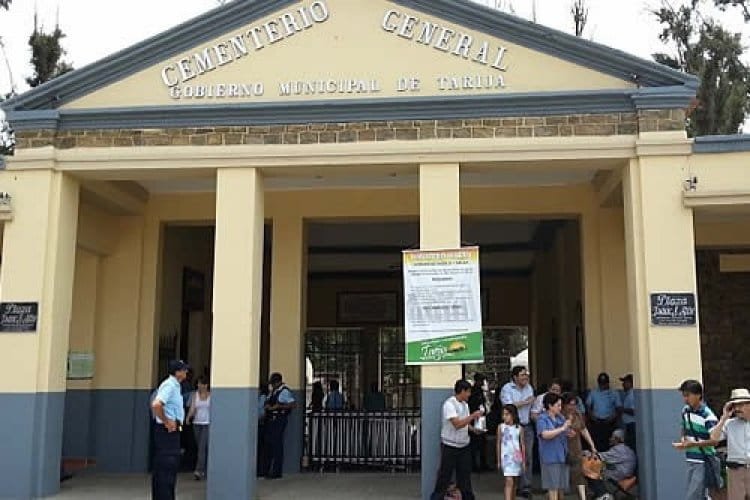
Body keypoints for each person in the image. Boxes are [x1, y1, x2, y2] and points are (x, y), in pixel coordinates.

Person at [430, 379, 483, 500]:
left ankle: (468, 497)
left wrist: (473, 429)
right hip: (450, 445)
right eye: (468, 392)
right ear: (462, 391)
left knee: (465, 475)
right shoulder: (449, 404)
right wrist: (473, 416)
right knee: (445, 475)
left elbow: (465, 423)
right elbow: (457, 424)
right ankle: (437, 497)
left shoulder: (465, 405)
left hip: (464, 445)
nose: (469, 395)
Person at [672, 379, 719, 500]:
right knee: (699, 495)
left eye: (688, 395)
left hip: (703, 460)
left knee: (693, 496)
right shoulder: (685, 411)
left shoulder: (708, 416)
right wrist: (683, 439)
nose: (685, 399)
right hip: (690, 459)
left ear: (698, 395)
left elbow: (715, 441)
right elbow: (684, 426)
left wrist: (693, 444)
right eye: (684, 396)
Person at [151, 360, 189, 500]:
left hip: (174, 430)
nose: (186, 372)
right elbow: (157, 405)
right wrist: (166, 421)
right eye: (183, 370)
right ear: (177, 372)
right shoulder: (169, 385)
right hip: (167, 432)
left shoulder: (176, 386)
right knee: (167, 466)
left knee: (169, 468)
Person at [500, 366, 536, 496]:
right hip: (512, 428)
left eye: (526, 374)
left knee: (527, 456)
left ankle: (525, 486)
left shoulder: (529, 388)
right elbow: (508, 407)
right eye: (522, 375)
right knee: (513, 456)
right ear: (515, 377)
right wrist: (525, 402)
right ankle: (513, 485)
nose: (525, 377)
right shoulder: (507, 389)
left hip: (526, 426)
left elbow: (533, 406)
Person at [709, 388, 750, 500]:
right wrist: (723, 418)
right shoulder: (729, 424)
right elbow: (713, 438)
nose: (737, 409)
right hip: (735, 471)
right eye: (734, 405)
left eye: (741, 405)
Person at [562, 392, 597, 500]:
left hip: (576, 447)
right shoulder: (559, 415)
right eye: (570, 404)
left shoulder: (577, 414)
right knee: (561, 478)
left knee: (579, 474)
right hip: (562, 449)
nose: (572, 407)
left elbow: (583, 429)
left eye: (574, 404)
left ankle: (582, 497)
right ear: (564, 404)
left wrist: (592, 445)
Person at [537, 392, 572, 500]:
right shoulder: (542, 419)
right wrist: (562, 428)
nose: (560, 408)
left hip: (562, 455)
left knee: (561, 486)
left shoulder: (560, 417)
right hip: (550, 457)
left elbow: (565, 431)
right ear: (550, 406)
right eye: (558, 405)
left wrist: (568, 431)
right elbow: (545, 434)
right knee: (552, 487)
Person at [262, 372, 297, 479]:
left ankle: (276, 471)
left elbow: (293, 404)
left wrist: (278, 406)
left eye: (273, 383)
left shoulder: (284, 391)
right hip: (271, 419)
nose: (272, 385)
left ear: (278, 382)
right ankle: (267, 470)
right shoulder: (274, 391)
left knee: (277, 445)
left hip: (279, 419)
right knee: (269, 444)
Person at [586, 429, 637, 500]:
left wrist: (587, 453)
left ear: (617, 439)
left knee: (592, 471)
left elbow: (600, 457)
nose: (610, 439)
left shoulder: (619, 449)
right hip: (626, 473)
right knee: (600, 468)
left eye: (612, 437)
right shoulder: (627, 449)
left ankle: (603, 494)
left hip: (620, 474)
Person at [586, 373, 622, 452]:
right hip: (597, 422)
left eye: (604, 383)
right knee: (597, 443)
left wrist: (613, 417)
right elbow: (588, 406)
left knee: (609, 443)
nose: (602, 385)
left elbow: (619, 408)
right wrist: (592, 417)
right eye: (601, 383)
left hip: (610, 422)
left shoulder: (614, 393)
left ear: (608, 383)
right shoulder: (593, 393)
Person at [497, 404, 526, 500]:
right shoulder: (501, 427)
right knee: (509, 480)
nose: (504, 417)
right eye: (503, 414)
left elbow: (522, 445)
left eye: (507, 414)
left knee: (514, 482)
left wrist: (524, 460)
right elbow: (498, 443)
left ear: (513, 415)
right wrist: (498, 460)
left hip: (516, 458)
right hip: (506, 457)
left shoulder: (519, 428)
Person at [186, 376, 210, 481]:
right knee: (200, 446)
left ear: (206, 385)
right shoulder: (195, 395)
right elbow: (192, 408)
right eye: (198, 384)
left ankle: (199, 470)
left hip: (207, 424)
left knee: (202, 447)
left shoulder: (211, 396)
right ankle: (205, 468)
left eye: (201, 384)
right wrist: (188, 417)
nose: (198, 386)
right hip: (197, 423)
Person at [469, 373, 491, 472]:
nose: (482, 382)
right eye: (481, 380)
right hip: (474, 418)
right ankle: (475, 465)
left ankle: (482, 463)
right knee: (475, 443)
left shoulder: (480, 391)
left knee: (482, 442)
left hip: (481, 418)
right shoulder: (473, 391)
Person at [619, 374, 636, 451]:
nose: (623, 384)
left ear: (630, 383)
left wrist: (622, 409)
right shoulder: (628, 394)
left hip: (632, 424)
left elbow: (634, 411)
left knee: (631, 446)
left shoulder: (632, 395)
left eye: (625, 382)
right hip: (629, 425)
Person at [257, 383, 270, 477]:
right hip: (259, 424)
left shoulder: (263, 398)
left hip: (261, 424)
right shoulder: (260, 398)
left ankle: (261, 470)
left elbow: (261, 412)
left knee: (261, 448)